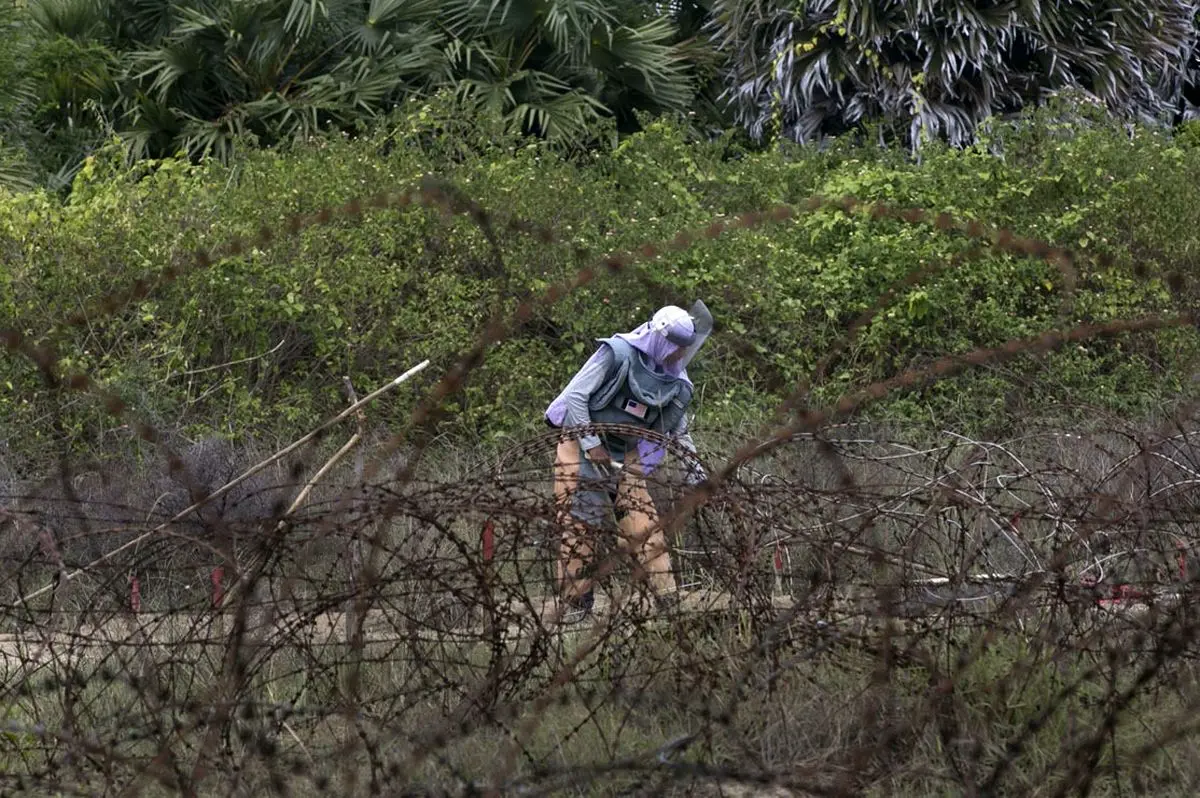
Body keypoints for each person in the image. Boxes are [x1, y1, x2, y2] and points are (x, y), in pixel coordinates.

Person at [544, 301, 712, 622]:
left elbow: (679, 431)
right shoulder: (617, 353)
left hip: (625, 452)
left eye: (684, 348)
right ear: (662, 340)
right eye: (677, 347)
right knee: (581, 523)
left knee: (644, 523)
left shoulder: (677, 382)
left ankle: (668, 599)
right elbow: (576, 396)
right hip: (580, 444)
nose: (680, 354)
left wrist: (697, 476)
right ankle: (577, 604)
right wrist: (592, 444)